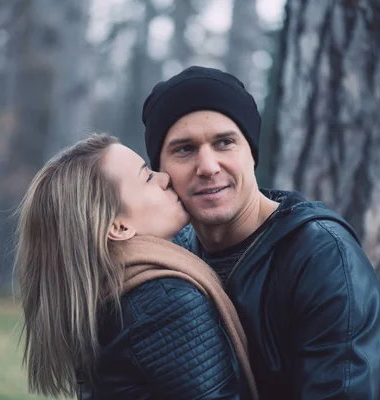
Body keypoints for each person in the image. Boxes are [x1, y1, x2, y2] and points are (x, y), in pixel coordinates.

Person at [142, 66, 380, 399]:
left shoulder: (323, 258)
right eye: (184, 149)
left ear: (251, 154)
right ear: (161, 171)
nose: (208, 166)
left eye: (225, 142)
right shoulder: (174, 256)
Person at [14, 133, 258, 400]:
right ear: (119, 227)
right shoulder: (165, 303)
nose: (165, 177)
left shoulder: (105, 293)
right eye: (148, 177)